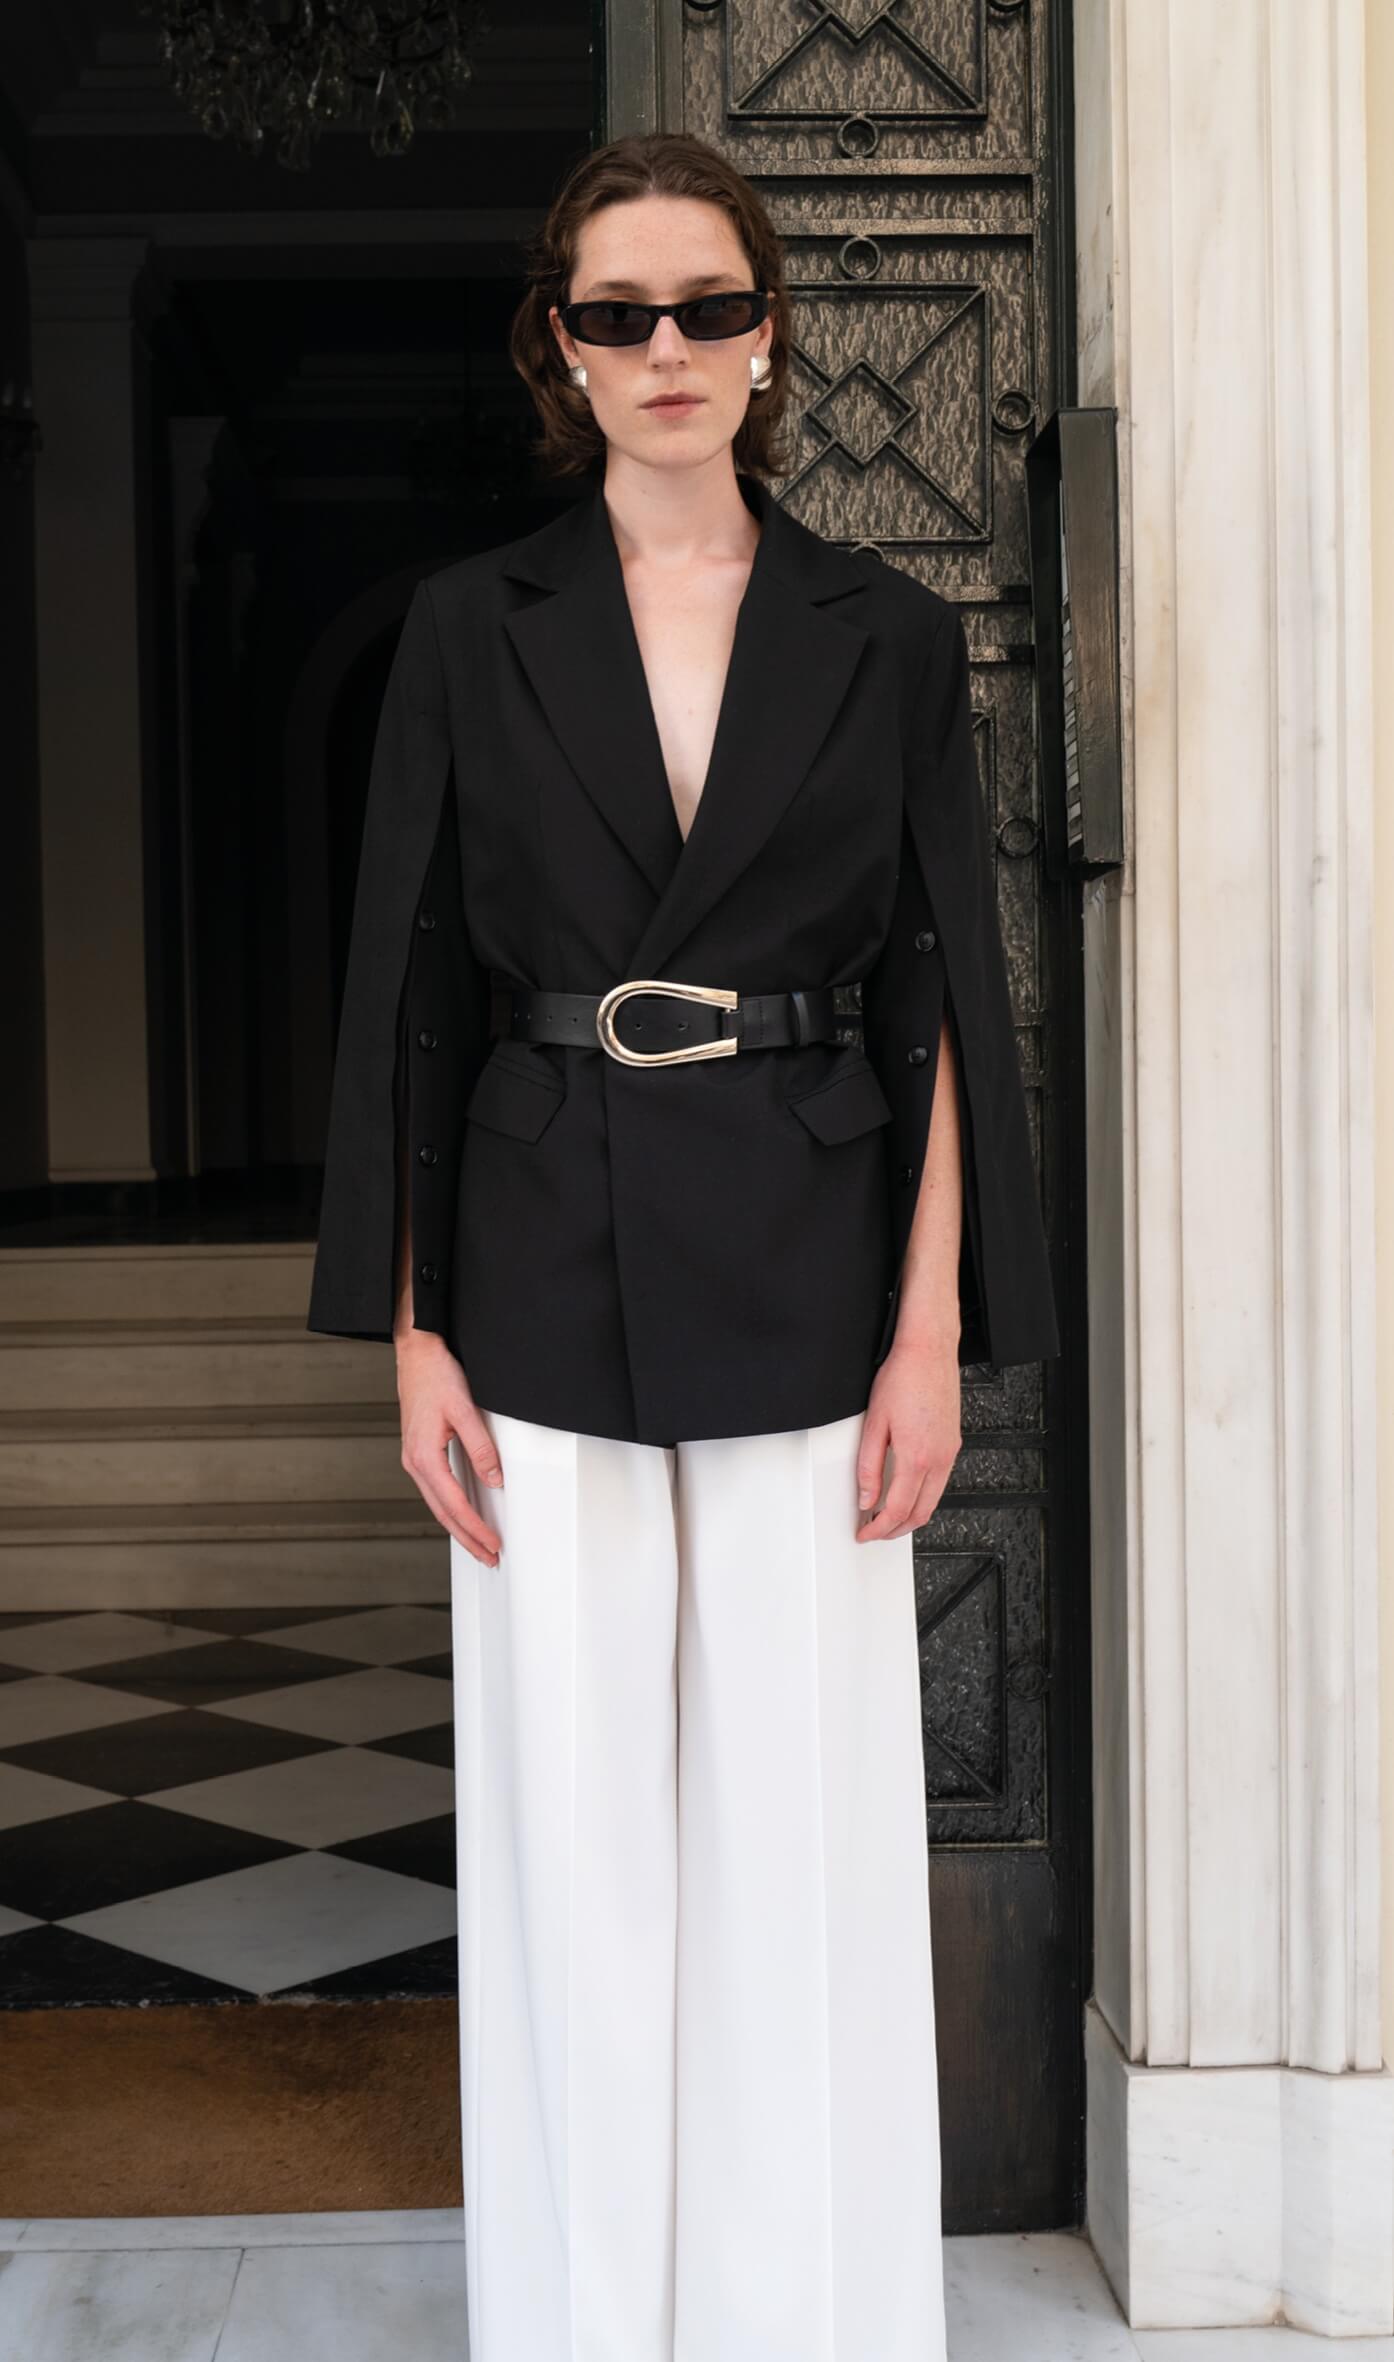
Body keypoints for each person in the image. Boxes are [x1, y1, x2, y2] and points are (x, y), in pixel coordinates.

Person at [308, 129, 1059, 2362]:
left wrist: (926, 1335)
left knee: (788, 1844)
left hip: (816, 1268)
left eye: (708, 306)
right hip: (534, 1265)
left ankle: (800, 2322)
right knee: (576, 1845)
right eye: (618, 311)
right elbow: (408, 984)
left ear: (768, 335)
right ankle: (577, 2325)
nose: (666, 347)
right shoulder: (469, 627)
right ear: (559, 345)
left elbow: (941, 993)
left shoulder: (884, 633)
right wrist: (410, 1332)